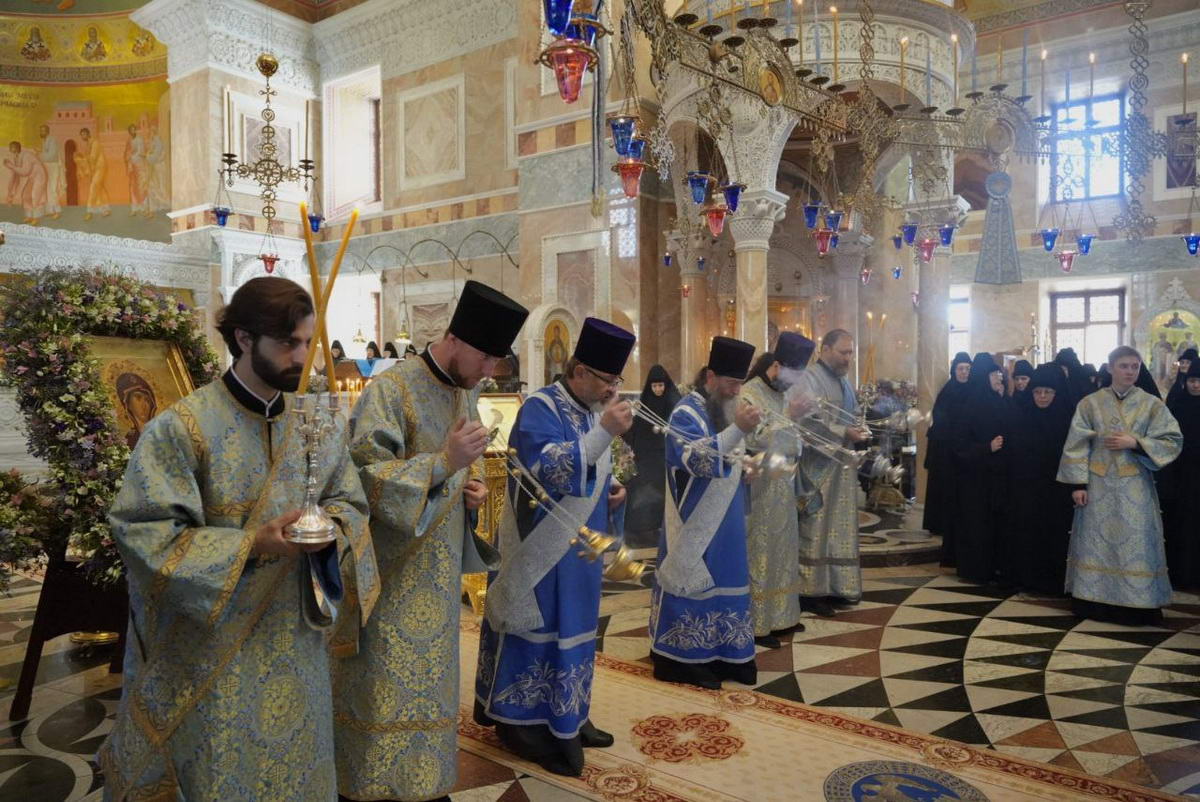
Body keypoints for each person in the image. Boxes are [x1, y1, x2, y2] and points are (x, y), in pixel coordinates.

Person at [98, 277, 379, 802]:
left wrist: (329, 532)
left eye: (308, 342)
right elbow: (145, 532)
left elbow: (351, 504)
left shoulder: (316, 423)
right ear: (244, 338)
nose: (304, 358)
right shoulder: (183, 429)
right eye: (289, 343)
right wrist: (253, 545)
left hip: (296, 640)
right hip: (213, 656)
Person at [334, 280, 528, 802]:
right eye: (486, 357)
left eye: (497, 360)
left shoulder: (464, 390)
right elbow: (364, 479)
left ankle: (426, 784)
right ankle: (373, 790)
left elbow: (461, 466)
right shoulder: (389, 391)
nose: (490, 370)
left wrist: (468, 486)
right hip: (392, 577)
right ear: (455, 338)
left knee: (433, 685)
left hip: (438, 580)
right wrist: (444, 464)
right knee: (385, 685)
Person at [475, 317, 635, 777]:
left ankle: (570, 714)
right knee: (538, 628)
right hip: (539, 553)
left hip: (580, 552)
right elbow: (549, 469)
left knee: (577, 628)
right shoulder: (540, 407)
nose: (612, 389)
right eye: (607, 379)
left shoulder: (590, 409)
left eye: (617, 380)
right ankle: (521, 726)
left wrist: (612, 488)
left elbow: (591, 471)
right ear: (579, 370)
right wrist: (604, 432)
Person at [650, 336, 760, 690]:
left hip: (727, 519)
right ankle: (683, 658)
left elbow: (731, 454)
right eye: (731, 383)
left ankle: (728, 654)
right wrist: (739, 430)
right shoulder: (686, 412)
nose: (736, 390)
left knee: (728, 575)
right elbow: (696, 459)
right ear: (710, 376)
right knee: (696, 578)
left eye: (740, 383)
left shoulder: (724, 407)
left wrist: (747, 465)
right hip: (694, 521)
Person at [1057, 346, 1182, 626]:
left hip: (1135, 486)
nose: (1130, 372)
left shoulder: (1151, 404)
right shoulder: (1090, 404)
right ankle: (1092, 602)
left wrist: (1135, 443)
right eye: (1124, 366)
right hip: (1098, 486)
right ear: (1111, 367)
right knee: (1096, 545)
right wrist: (1078, 484)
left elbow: (1172, 440)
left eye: (1135, 367)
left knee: (1136, 546)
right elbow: (1076, 444)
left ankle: (1138, 607)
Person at [741, 333, 815, 647]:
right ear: (776, 366)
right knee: (760, 551)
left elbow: (792, 439)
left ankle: (783, 616)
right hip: (759, 486)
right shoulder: (749, 393)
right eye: (792, 375)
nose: (793, 384)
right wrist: (791, 418)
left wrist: (798, 430)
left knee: (784, 549)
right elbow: (753, 438)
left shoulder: (784, 394)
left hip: (783, 485)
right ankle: (759, 624)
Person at [795, 329, 869, 616]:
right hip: (818, 469)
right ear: (825, 349)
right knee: (817, 526)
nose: (848, 358)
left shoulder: (844, 381)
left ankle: (838, 586)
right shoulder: (809, 378)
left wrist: (860, 428)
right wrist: (844, 431)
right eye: (843, 352)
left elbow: (853, 414)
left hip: (842, 467)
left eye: (851, 353)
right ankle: (810, 591)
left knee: (839, 527)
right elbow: (806, 422)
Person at [1007, 364, 1075, 594]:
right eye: (1037, 391)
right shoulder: (1022, 416)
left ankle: (1054, 582)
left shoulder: (1068, 419)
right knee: (1027, 533)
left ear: (1057, 393)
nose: (1042, 397)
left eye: (1048, 392)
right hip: (1027, 487)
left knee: (1055, 534)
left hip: (1058, 489)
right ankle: (1028, 578)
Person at [949, 353, 1012, 586]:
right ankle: (975, 569)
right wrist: (987, 448)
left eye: (999, 375)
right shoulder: (969, 406)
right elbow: (958, 446)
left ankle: (995, 566)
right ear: (983, 377)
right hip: (974, 480)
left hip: (996, 477)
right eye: (994, 375)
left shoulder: (999, 400)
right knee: (977, 525)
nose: (999, 378)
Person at [623, 364, 679, 548]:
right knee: (644, 495)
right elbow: (637, 429)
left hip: (665, 458)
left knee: (663, 495)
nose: (657, 389)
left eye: (660, 385)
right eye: (654, 386)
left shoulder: (674, 403)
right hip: (646, 458)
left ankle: (664, 531)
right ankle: (643, 534)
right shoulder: (646, 402)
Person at [923, 352, 971, 548]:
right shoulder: (949, 390)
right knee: (942, 486)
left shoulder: (972, 391)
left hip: (960, 448)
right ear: (954, 370)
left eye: (967, 369)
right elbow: (940, 417)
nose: (964, 372)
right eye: (961, 368)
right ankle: (939, 524)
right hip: (944, 448)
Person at [1161, 360, 1200, 589]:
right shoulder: (1177, 405)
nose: (1196, 385)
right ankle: (1180, 575)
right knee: (1181, 525)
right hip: (1181, 477)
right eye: (1192, 380)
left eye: (1199, 381)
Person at [4, 141, 48, 225]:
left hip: (39, 175)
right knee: (25, 195)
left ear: (17, 148)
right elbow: (17, 174)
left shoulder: (26, 155)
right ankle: (29, 215)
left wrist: (11, 166)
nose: (10, 149)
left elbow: (25, 172)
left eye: (12, 147)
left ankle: (36, 217)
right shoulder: (17, 157)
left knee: (35, 195)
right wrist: (11, 193)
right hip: (32, 176)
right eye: (10, 147)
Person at [75, 128, 110, 220]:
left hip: (100, 168)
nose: (83, 137)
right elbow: (89, 158)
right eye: (81, 135)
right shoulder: (88, 144)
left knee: (93, 187)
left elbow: (93, 158)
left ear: (88, 134)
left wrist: (83, 159)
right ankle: (105, 209)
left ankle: (89, 211)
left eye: (84, 134)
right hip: (95, 169)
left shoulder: (95, 143)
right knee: (100, 188)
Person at [39, 125, 64, 219]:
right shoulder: (44, 141)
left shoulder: (52, 140)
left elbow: (52, 156)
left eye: (43, 131)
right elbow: (46, 154)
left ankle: (57, 211)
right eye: (41, 131)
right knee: (47, 189)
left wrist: (39, 154)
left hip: (53, 166)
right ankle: (50, 210)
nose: (42, 132)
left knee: (52, 189)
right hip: (47, 166)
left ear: (47, 131)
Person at [124, 124, 149, 216]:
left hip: (140, 165)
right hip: (132, 166)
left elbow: (141, 152)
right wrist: (128, 158)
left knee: (142, 186)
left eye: (134, 130)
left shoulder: (140, 139)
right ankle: (134, 208)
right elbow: (126, 152)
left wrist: (132, 157)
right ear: (129, 132)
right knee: (132, 186)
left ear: (136, 130)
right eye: (131, 130)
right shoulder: (129, 140)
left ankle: (144, 208)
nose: (132, 131)